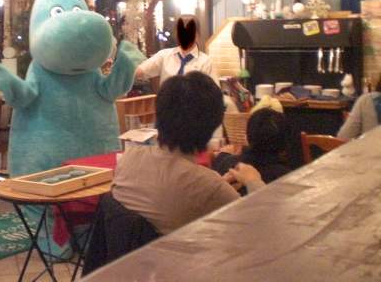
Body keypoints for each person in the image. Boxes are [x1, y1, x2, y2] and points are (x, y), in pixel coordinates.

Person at [113, 71, 264, 234]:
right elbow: (260, 225)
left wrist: (217, 186)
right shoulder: (207, 186)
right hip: (187, 250)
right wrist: (254, 182)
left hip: (132, 250)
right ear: (213, 123)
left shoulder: (128, 158)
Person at [213, 99, 290, 194]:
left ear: (247, 137)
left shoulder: (225, 163)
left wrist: (223, 155)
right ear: (285, 143)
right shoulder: (285, 178)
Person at [135, 16, 217, 86]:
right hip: (167, 100)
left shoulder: (206, 62)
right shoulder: (164, 55)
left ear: (197, 34)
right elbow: (139, 72)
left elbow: (214, 94)